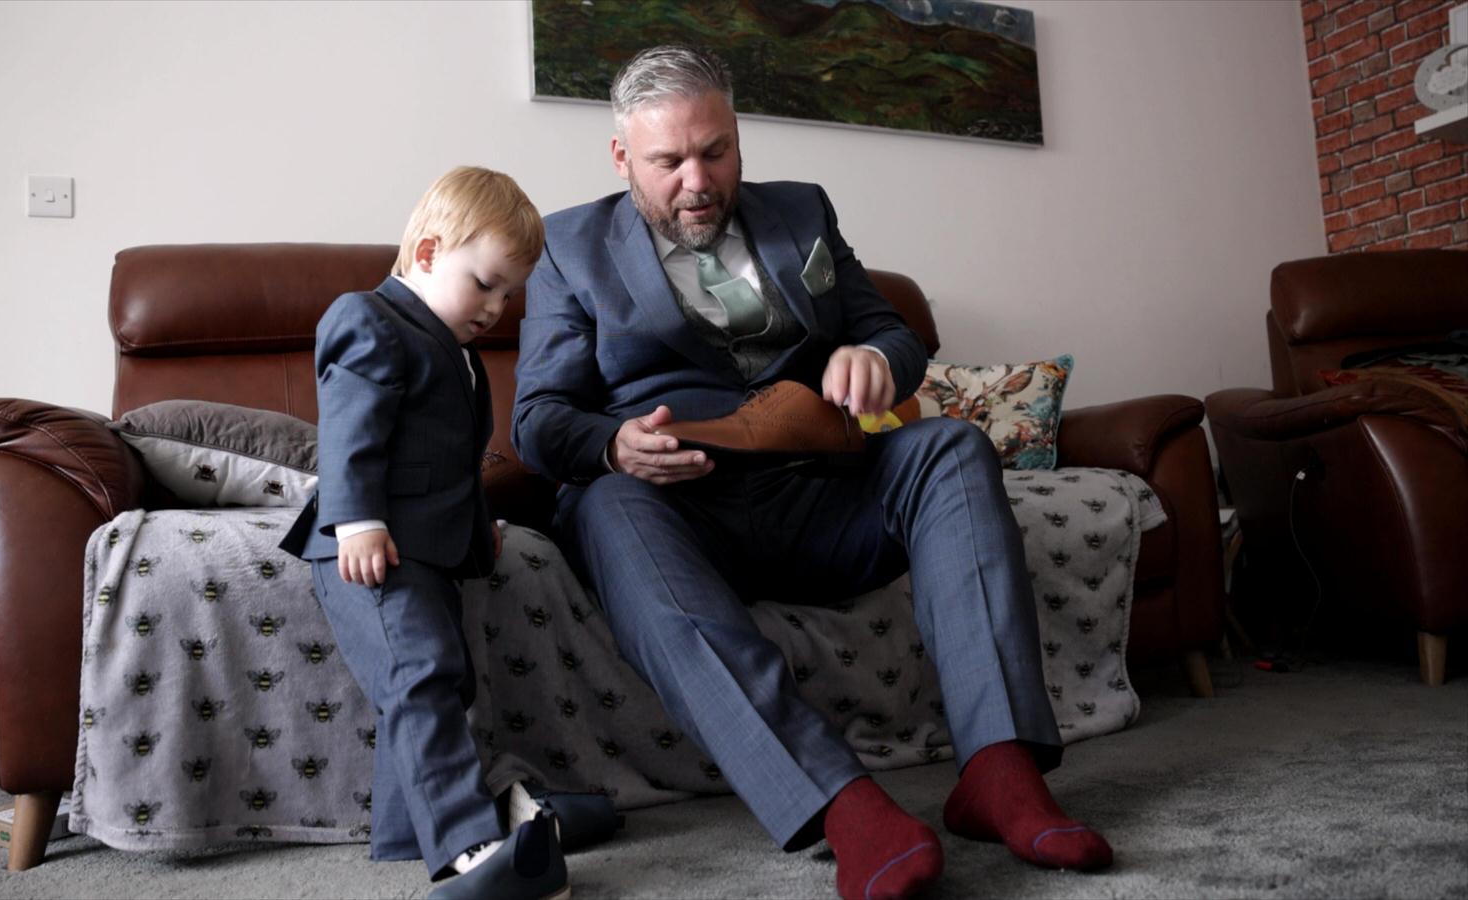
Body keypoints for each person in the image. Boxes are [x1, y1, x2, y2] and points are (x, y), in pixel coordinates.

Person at [512, 46, 1112, 899]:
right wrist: (613, 447)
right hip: (679, 513)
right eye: (668, 161)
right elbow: (537, 421)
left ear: (738, 137)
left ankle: (1001, 772)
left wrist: (874, 354)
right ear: (621, 158)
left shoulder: (803, 212)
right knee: (604, 504)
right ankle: (840, 801)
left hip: (823, 491)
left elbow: (897, 334)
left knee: (949, 447)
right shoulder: (569, 248)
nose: (696, 180)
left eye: (715, 151)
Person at [281, 166, 567, 900]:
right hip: (368, 549)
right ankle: (466, 849)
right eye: (486, 283)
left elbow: (448, 465)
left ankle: (406, 831)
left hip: (425, 552)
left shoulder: (459, 353)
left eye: (510, 294)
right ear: (431, 251)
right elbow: (351, 433)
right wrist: (359, 520)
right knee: (421, 676)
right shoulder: (369, 318)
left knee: (436, 680)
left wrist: (480, 530)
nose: (497, 307)